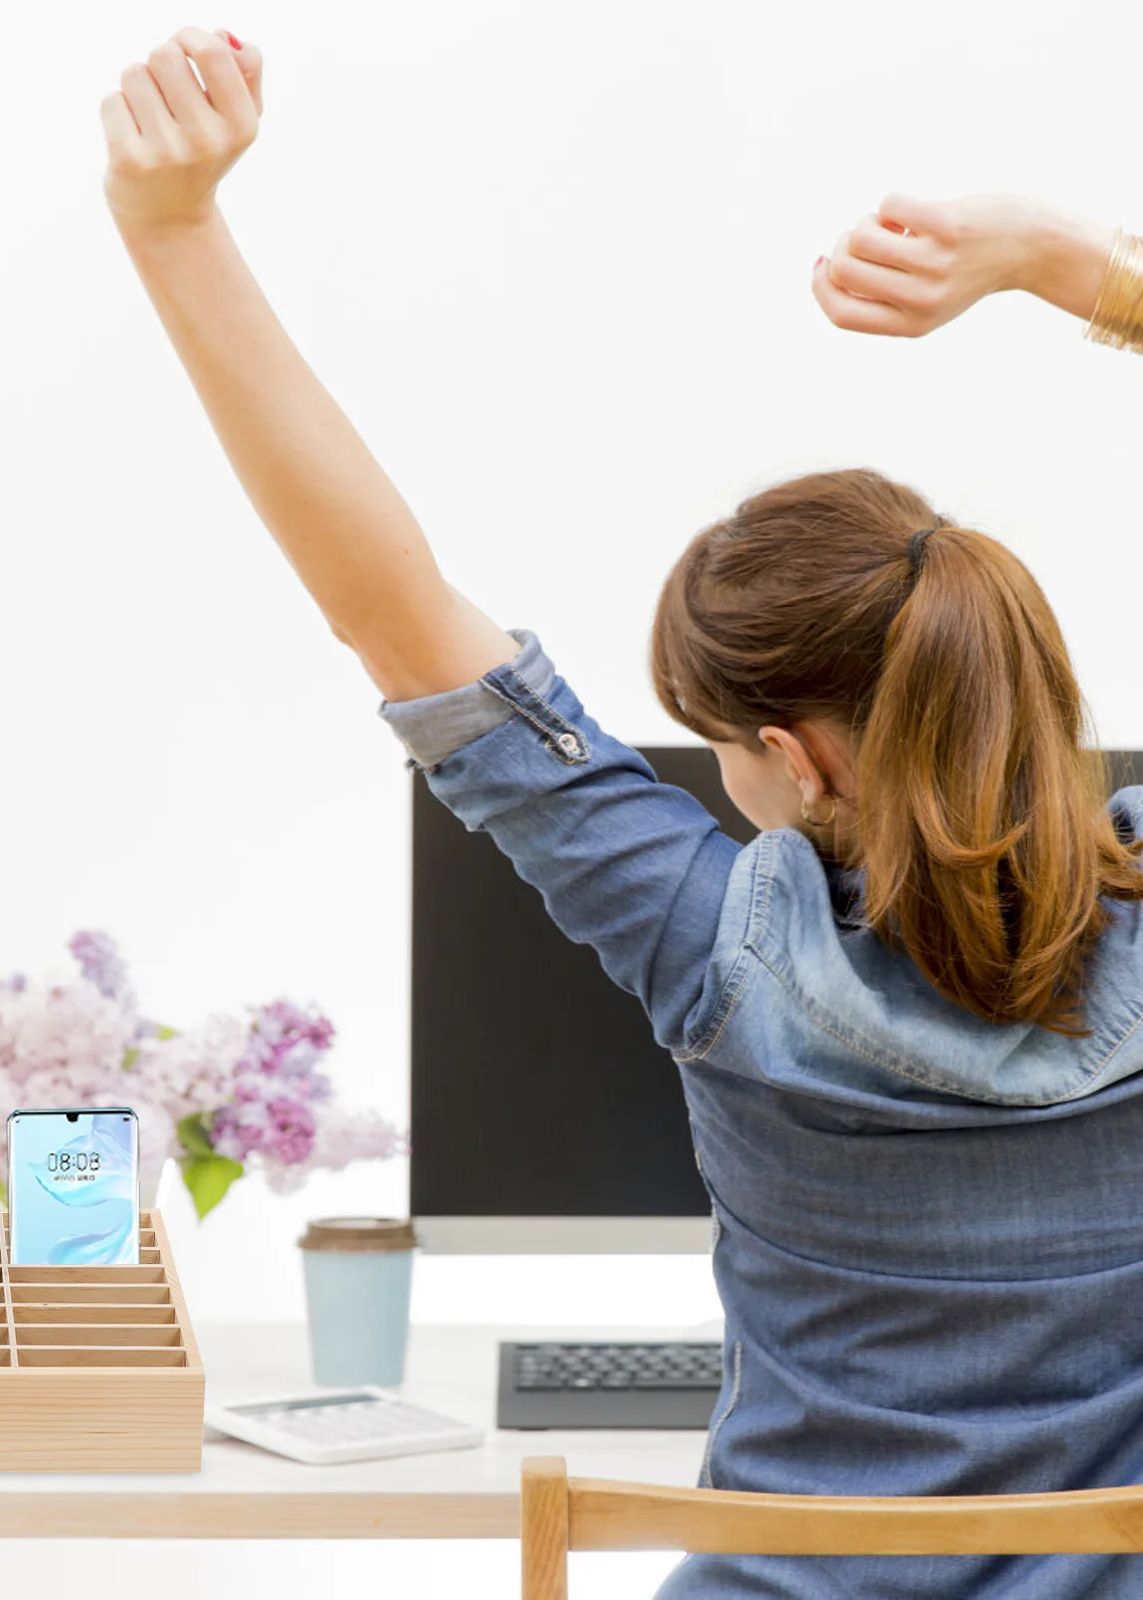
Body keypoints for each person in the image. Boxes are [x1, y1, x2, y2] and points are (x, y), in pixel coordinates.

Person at [100, 27, 1143, 1596]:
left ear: (796, 761)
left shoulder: (713, 942)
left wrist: (171, 225)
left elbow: (388, 609)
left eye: (718, 748)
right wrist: (1067, 263)